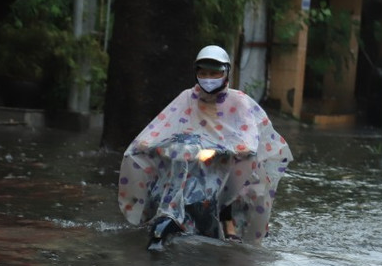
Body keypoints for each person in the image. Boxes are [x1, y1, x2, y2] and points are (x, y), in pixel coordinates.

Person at [118, 45, 292, 249]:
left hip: (226, 161)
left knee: (250, 185)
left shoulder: (239, 101)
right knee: (156, 169)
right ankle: (161, 214)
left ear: (226, 73)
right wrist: (146, 143)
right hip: (191, 159)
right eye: (204, 72)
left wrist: (237, 148)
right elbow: (163, 125)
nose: (209, 77)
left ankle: (230, 225)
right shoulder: (186, 98)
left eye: (214, 73)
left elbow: (249, 136)